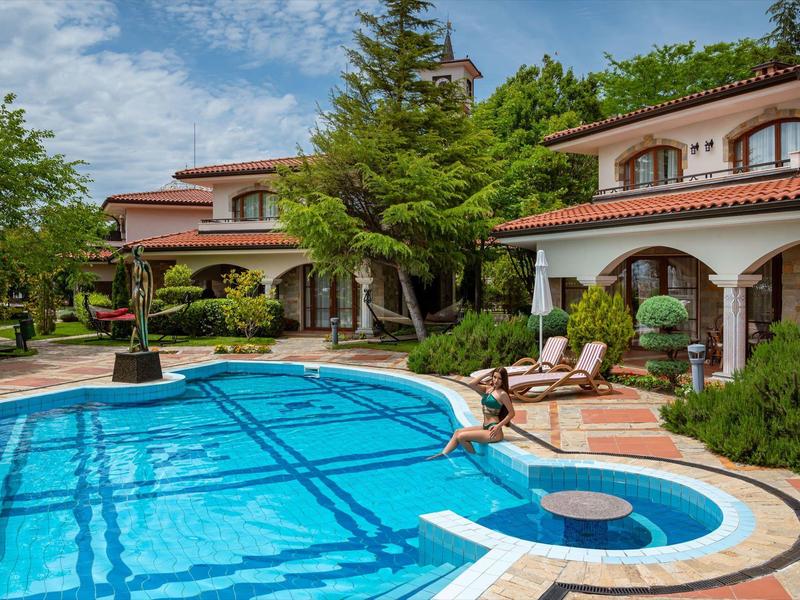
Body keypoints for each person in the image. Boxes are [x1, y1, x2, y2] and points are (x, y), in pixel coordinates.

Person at [427, 367, 515, 460]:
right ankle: (443, 454)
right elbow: (471, 384)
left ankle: (475, 458)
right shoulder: (488, 389)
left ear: (503, 380)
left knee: (461, 437)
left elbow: (511, 413)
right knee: (457, 432)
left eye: (499, 378)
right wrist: (486, 374)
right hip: (485, 426)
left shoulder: (502, 394)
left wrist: (498, 426)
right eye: (494, 377)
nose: (496, 380)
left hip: (494, 431)